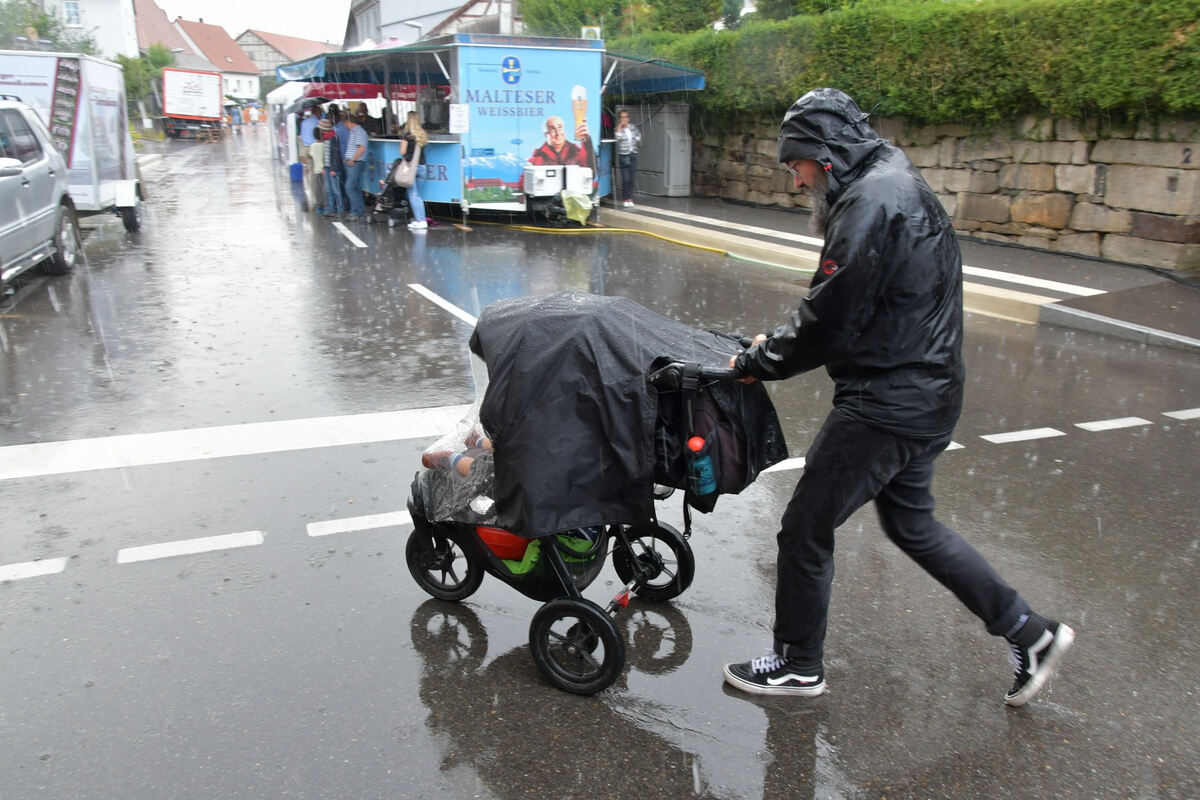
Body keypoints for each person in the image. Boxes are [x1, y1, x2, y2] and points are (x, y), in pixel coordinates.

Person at [722, 88, 1074, 707]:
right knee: (913, 525)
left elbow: (831, 315)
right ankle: (1031, 632)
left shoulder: (869, 204)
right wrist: (780, 347)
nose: (794, 179)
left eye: (796, 163)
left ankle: (797, 665)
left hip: (885, 403)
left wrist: (762, 360)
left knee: (804, 529)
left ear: (826, 156)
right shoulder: (893, 179)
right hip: (931, 392)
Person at [400, 111, 429, 231]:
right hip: (422, 167)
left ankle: (421, 220)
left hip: (411, 167)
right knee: (417, 195)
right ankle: (419, 218)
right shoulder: (422, 134)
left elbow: (402, 151)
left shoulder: (406, 135)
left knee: (413, 195)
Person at [527, 115, 592, 168]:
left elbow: (589, 168)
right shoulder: (537, 159)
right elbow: (524, 182)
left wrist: (586, 140)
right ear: (546, 134)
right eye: (553, 129)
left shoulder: (575, 152)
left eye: (560, 127)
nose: (557, 133)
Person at [342, 114, 371, 222]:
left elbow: (361, 148)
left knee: (349, 187)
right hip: (352, 162)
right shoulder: (354, 132)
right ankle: (358, 210)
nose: (345, 125)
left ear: (349, 122)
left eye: (345, 123)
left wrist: (352, 159)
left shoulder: (359, 131)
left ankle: (356, 212)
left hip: (356, 163)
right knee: (355, 187)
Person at [318, 118, 347, 219]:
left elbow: (336, 155)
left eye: (321, 128)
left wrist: (334, 169)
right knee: (329, 190)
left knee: (336, 190)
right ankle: (331, 208)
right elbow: (325, 154)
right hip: (327, 167)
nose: (320, 130)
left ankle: (340, 209)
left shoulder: (333, 138)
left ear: (324, 128)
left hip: (332, 168)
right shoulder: (325, 138)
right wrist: (323, 167)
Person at [614, 109, 641, 208]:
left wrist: (637, 139)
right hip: (624, 155)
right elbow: (618, 138)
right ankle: (625, 198)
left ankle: (630, 198)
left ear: (628, 118)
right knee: (625, 178)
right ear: (619, 119)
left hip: (633, 154)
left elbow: (638, 135)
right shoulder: (618, 128)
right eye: (622, 117)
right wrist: (620, 126)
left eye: (626, 117)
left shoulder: (632, 127)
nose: (624, 119)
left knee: (632, 178)